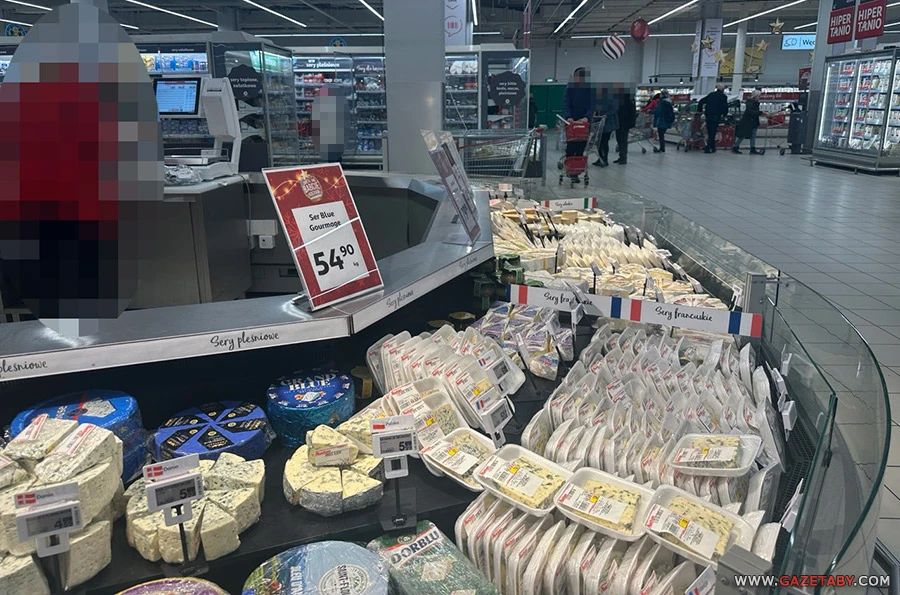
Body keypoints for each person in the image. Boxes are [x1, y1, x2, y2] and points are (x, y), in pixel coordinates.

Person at [563, 67, 596, 181]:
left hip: (584, 123)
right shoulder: (570, 88)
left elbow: (592, 105)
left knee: (581, 147)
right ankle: (570, 170)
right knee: (571, 146)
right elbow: (566, 104)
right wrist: (569, 117)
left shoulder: (590, 89)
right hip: (571, 123)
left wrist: (587, 117)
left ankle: (576, 171)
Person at [697, 83, 729, 153]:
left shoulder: (711, 95)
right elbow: (725, 107)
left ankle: (713, 147)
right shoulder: (723, 97)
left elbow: (701, 101)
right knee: (713, 132)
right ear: (723, 89)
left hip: (708, 116)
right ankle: (708, 148)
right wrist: (724, 114)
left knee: (710, 132)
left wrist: (700, 110)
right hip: (716, 116)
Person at [593, 91, 619, 167]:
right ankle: (600, 158)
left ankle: (604, 159)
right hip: (600, 122)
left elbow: (614, 108)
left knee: (604, 141)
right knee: (599, 141)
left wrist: (607, 114)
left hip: (609, 122)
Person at [733, 89, 762, 154]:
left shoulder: (753, 102)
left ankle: (752, 148)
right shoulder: (751, 102)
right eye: (759, 96)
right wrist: (760, 112)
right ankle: (736, 147)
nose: (759, 97)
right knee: (743, 135)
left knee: (751, 135)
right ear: (756, 96)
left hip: (752, 121)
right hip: (748, 121)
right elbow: (750, 111)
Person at [614, 90, 636, 164]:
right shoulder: (622, 98)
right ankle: (621, 156)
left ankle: (623, 157)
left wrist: (632, 123)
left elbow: (632, 111)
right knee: (619, 139)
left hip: (624, 122)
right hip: (620, 121)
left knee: (623, 139)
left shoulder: (628, 99)